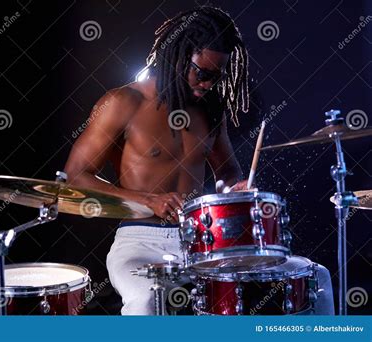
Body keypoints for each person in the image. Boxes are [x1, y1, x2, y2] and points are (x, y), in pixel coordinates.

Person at [64, 6, 334, 315]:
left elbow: (227, 172)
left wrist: (235, 188)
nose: (208, 85)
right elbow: (74, 176)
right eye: (203, 74)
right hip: (140, 241)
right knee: (145, 301)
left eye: (216, 78)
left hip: (204, 241)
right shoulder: (122, 102)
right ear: (176, 57)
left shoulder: (209, 109)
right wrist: (146, 200)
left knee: (317, 277)